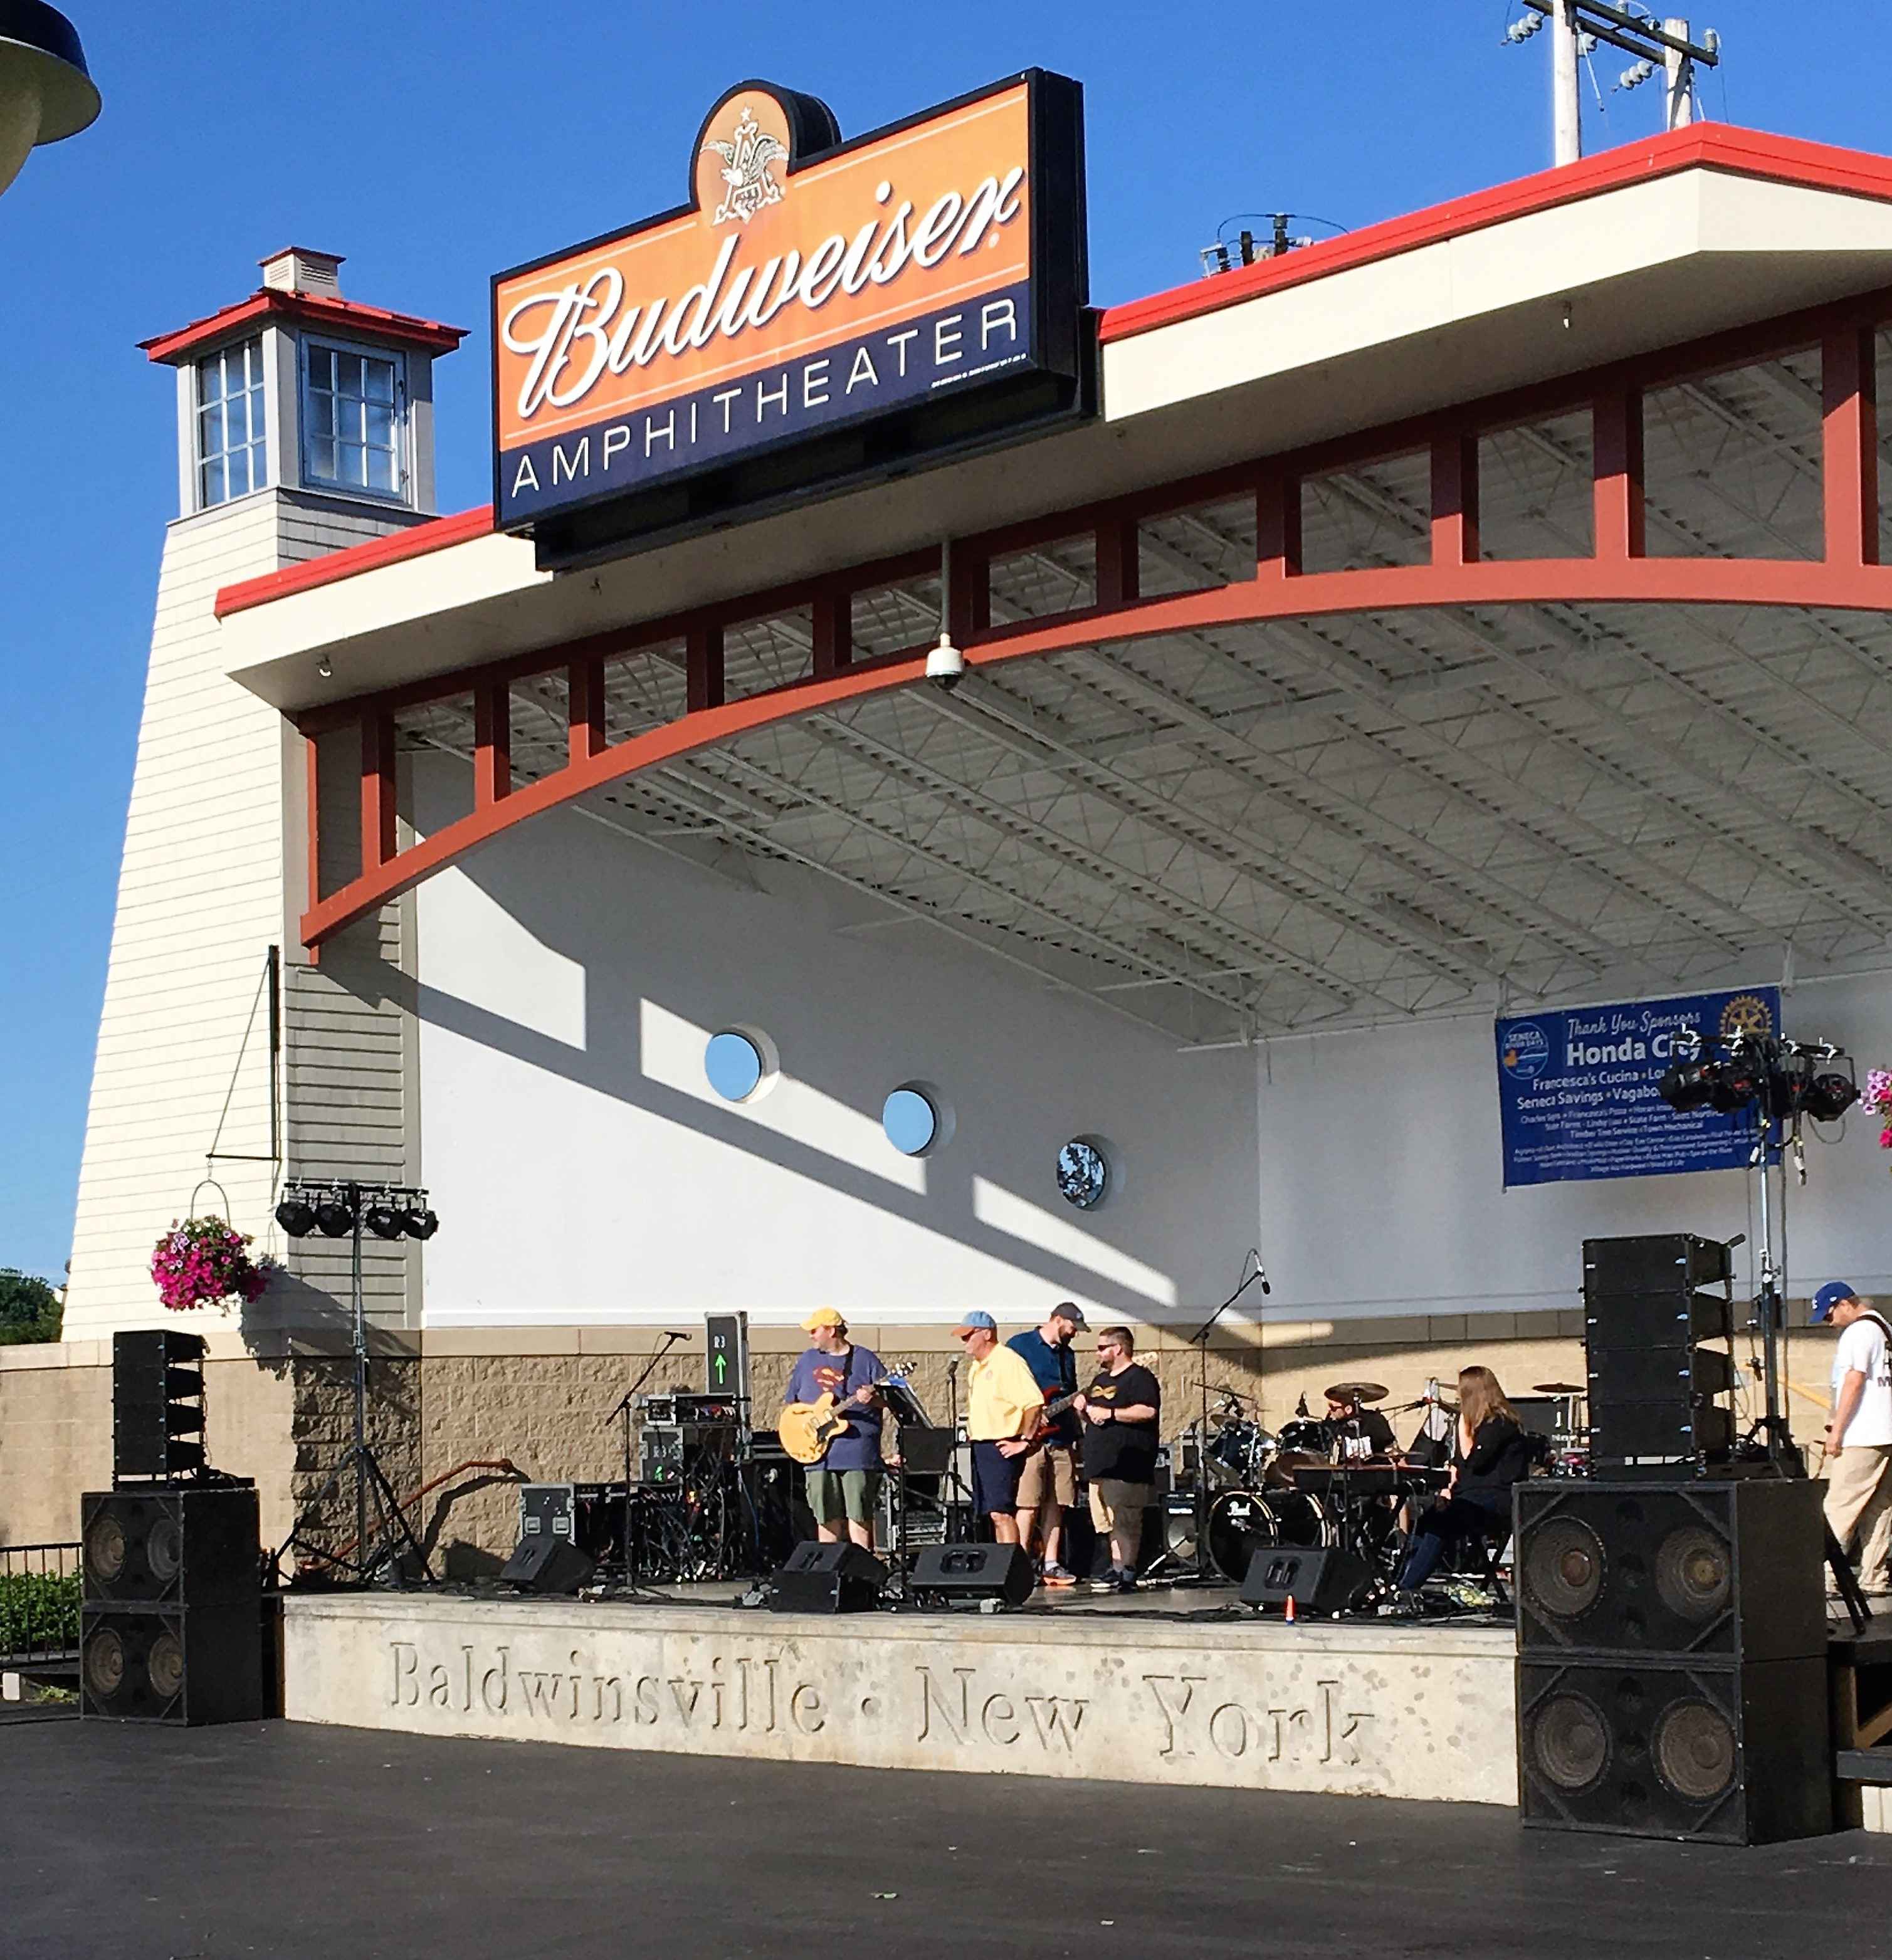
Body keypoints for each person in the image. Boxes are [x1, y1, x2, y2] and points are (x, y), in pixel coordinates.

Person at [1392, 1365, 1533, 1601]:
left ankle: (1407, 1588)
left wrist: (1462, 1430)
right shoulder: (1477, 1427)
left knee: (1440, 1525)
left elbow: (1475, 1463)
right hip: (1469, 1499)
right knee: (1424, 1523)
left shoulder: (1500, 1425)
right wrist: (1447, 1492)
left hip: (1497, 1502)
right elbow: (1458, 1469)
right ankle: (1396, 1583)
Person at [781, 1309, 887, 1551]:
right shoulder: (807, 1360)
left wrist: (871, 1399)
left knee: (859, 1515)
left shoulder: (865, 1359)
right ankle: (829, 1573)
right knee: (825, 1515)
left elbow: (891, 1399)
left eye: (814, 1330)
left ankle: (862, 1573)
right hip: (818, 1453)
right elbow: (793, 1403)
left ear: (831, 1330)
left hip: (855, 1450)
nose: (811, 1336)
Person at [1813, 1281, 1892, 1598]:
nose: (1829, 1323)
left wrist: (1838, 1431)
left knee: (1839, 1506)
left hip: (1863, 1434)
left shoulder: (1858, 1333)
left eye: (1829, 1315)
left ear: (1845, 1304)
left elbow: (1854, 1382)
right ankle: (1874, 1577)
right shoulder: (1884, 1329)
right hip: (1887, 1432)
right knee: (1880, 1507)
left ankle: (1825, 1577)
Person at [1076, 1325, 1161, 1592]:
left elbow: (1147, 1411)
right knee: (1108, 1522)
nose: (1097, 1353)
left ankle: (1129, 1569)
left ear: (1119, 1348)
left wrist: (1111, 1414)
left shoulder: (1140, 1378)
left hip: (1127, 1463)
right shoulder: (1100, 1381)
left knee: (1126, 1518)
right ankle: (1116, 1566)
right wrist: (1083, 1411)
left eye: (1102, 1347)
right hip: (1100, 1463)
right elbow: (1092, 1415)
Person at [1008, 1301, 1086, 1586]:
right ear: (1056, 1320)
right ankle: (1020, 1562)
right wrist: (1028, 1417)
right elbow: (1006, 1386)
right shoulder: (1021, 1345)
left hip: (1061, 1435)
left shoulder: (1068, 1355)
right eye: (1072, 1327)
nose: (1075, 1333)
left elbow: (1068, 1391)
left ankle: (1051, 1563)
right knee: (1028, 1502)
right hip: (1031, 1438)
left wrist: (1078, 1411)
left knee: (1059, 1502)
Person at [956, 1311, 1044, 1546]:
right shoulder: (978, 1366)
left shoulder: (1008, 1361)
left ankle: (1011, 1567)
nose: (965, 1342)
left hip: (1002, 1444)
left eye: (969, 1336)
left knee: (1002, 1512)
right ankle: (1001, 1565)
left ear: (987, 1334)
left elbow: (1033, 1403)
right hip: (981, 1445)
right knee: (994, 1514)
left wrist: (1025, 1441)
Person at [1325, 1386, 1397, 1457]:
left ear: (1348, 1409)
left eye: (1332, 1407)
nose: (1329, 1409)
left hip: (1375, 1467)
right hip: (1344, 1468)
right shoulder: (1333, 1425)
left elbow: (1390, 1449)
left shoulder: (1375, 1421)